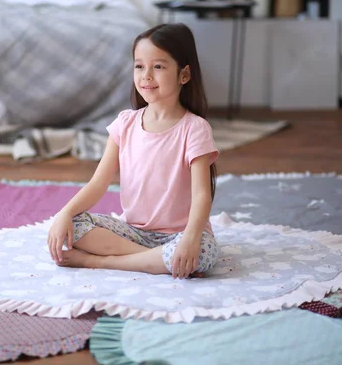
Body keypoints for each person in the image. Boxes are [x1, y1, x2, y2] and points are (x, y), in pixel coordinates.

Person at [47, 23, 220, 279]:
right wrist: (64, 213)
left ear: (184, 74)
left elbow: (202, 195)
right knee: (73, 225)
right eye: (139, 66)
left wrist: (190, 240)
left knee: (203, 252)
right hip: (133, 232)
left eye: (158, 66)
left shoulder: (195, 129)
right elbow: (98, 183)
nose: (146, 75)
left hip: (180, 233)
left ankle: (102, 262)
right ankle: (154, 259)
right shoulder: (125, 124)